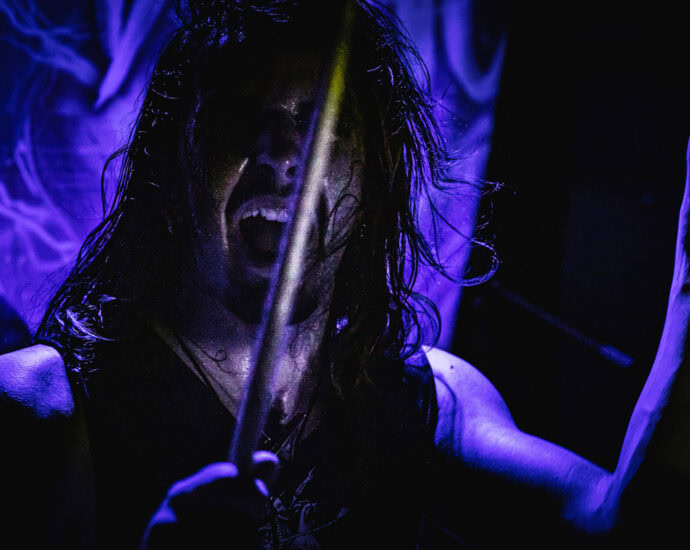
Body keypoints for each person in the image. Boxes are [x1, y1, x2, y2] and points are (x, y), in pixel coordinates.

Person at [1, 1, 688, 548]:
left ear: (372, 189)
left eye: (323, 128)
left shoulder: (426, 405)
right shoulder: (43, 409)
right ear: (173, 175)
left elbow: (626, 527)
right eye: (241, 117)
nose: (283, 155)